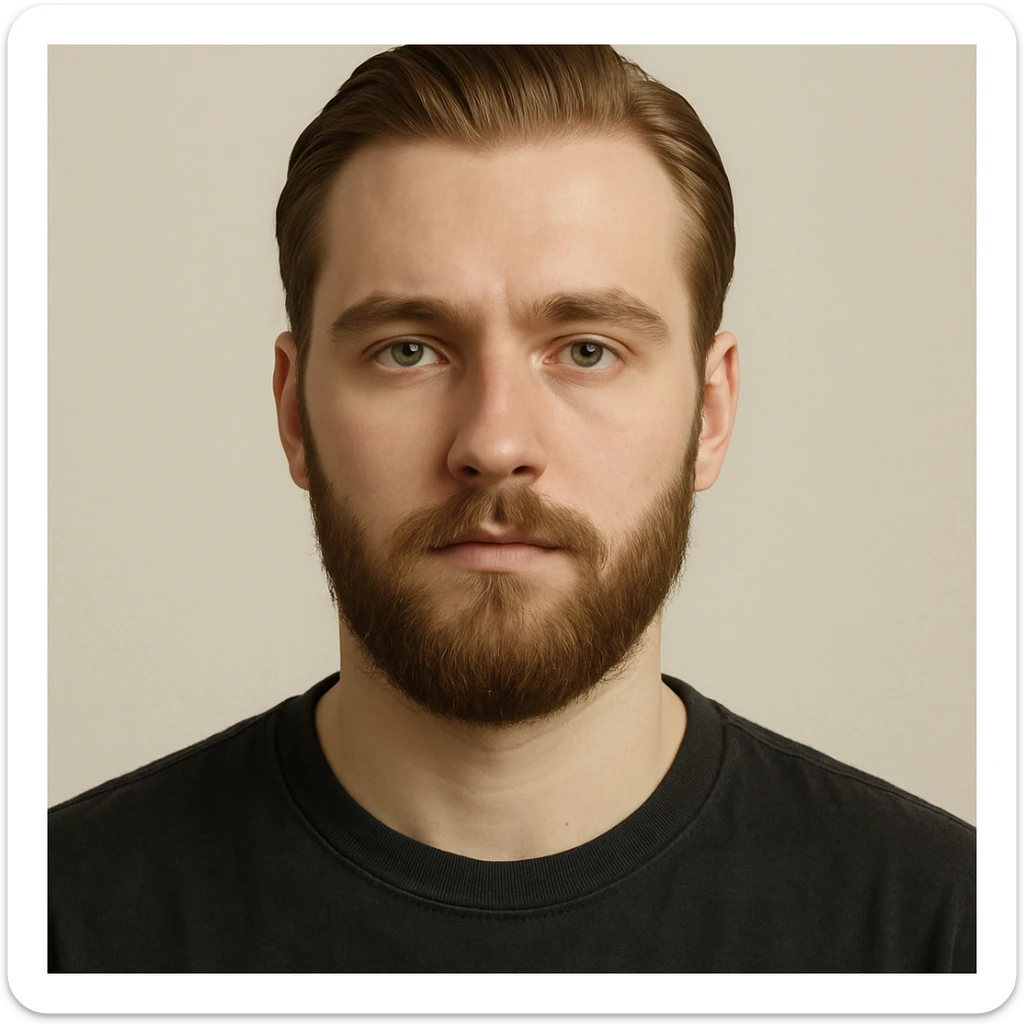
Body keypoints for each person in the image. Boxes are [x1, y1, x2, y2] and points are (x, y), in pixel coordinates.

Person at [48, 44, 975, 973]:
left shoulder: (948, 933)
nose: (494, 443)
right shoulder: (55, 925)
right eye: (409, 351)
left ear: (712, 413)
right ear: (295, 412)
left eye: (585, 350)